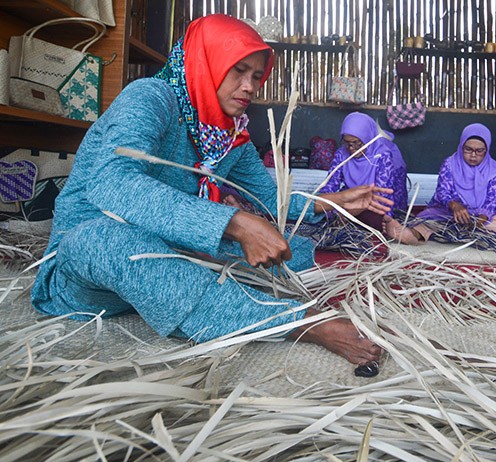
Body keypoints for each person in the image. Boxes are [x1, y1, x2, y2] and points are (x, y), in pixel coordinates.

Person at [30, 14, 390, 366]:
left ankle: (204, 294)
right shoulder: (150, 98)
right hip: (89, 267)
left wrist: (331, 203)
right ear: (206, 61)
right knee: (107, 241)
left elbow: (272, 200)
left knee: (288, 249)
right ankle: (299, 323)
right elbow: (112, 181)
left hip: (173, 251)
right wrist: (235, 223)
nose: (249, 86)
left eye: (257, 76)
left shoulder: (231, 136)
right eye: (239, 71)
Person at [385, 123, 496, 244]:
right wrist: (454, 206)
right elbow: (442, 192)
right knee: (427, 221)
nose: (473, 155)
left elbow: (491, 203)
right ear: (461, 146)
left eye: (479, 151)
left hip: (477, 219)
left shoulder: (495, 171)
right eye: (468, 149)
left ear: (487, 150)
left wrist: (478, 222)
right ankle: (412, 235)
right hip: (447, 214)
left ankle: (461, 233)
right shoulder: (450, 164)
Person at [318, 112, 408, 232]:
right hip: (353, 197)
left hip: (375, 202)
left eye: (356, 143)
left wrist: (353, 210)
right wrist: (331, 209)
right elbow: (329, 186)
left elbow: (382, 195)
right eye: (347, 143)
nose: (351, 148)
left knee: (378, 222)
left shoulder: (382, 155)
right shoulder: (342, 154)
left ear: (367, 138)